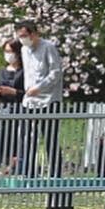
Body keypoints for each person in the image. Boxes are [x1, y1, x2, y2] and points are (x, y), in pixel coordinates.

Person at [15, 20, 64, 184]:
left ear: (33, 34)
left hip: (49, 99)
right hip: (30, 100)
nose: (22, 39)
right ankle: (29, 172)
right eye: (20, 36)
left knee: (50, 138)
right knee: (28, 138)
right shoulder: (23, 49)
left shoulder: (48, 47)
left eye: (25, 35)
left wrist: (40, 87)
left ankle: (55, 174)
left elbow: (55, 72)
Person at [0, 38, 25, 177]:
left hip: (19, 109)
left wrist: (14, 92)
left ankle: (14, 167)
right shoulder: (2, 71)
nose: (8, 54)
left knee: (16, 140)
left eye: (11, 51)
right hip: (3, 109)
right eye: (6, 51)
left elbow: (27, 92)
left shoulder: (25, 71)